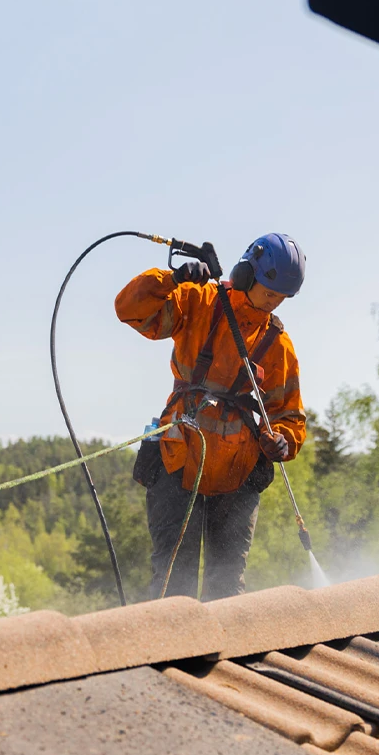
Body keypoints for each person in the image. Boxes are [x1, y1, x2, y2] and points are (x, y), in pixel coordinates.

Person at [115, 233, 307, 601]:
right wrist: (171, 279)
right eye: (269, 292)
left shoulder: (276, 343)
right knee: (174, 583)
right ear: (246, 274)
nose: (273, 302)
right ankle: (168, 657)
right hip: (177, 458)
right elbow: (128, 309)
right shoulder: (198, 302)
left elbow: (290, 416)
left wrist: (282, 439)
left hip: (238, 473)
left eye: (281, 297)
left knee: (226, 587)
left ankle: (223, 659)